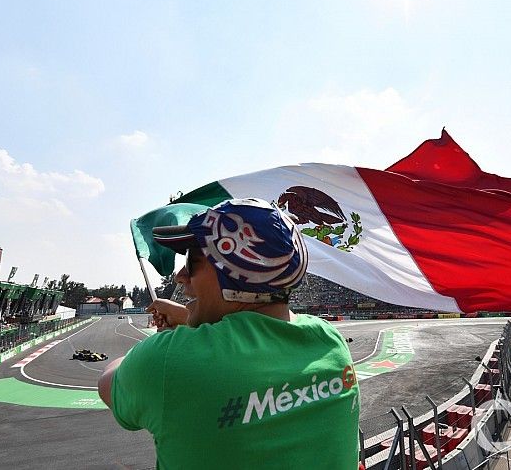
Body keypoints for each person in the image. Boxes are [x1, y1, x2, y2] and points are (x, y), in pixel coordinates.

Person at [98, 198, 361, 469]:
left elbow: (107, 382)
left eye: (192, 260)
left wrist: (169, 340)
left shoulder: (170, 360)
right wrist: (190, 320)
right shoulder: (330, 341)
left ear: (234, 275)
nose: (181, 276)